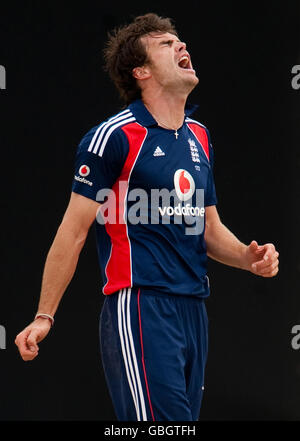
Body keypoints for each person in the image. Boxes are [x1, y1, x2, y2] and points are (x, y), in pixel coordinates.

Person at [15, 13, 279, 421]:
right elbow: (73, 232)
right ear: (141, 71)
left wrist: (247, 256)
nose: (181, 46)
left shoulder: (199, 137)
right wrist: (43, 315)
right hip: (140, 307)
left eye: (180, 41)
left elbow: (208, 227)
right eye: (165, 43)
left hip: (194, 308)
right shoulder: (114, 137)